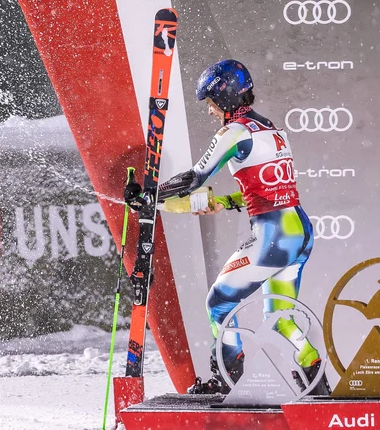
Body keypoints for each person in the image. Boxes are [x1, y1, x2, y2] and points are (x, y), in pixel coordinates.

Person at [126, 59, 329, 395]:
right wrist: (221, 202)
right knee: (281, 318)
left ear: (225, 98)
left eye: (210, 103)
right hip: (299, 231)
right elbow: (265, 190)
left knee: (219, 303)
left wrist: (150, 194)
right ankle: (315, 378)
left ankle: (227, 378)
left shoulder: (234, 132)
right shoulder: (272, 130)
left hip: (273, 237)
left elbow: (194, 178)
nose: (209, 112)